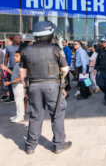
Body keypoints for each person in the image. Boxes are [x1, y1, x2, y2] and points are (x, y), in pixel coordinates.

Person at [20, 21, 71, 155]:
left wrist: (26, 88)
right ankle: (59, 145)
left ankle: (30, 146)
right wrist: (60, 82)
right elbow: (65, 69)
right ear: (49, 34)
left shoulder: (25, 50)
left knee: (35, 116)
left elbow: (22, 72)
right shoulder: (55, 49)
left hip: (33, 86)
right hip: (52, 86)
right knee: (57, 115)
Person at [2, 50, 24, 122]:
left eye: (16, 56)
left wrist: (10, 82)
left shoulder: (20, 65)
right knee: (17, 101)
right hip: (16, 85)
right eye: (14, 56)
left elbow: (21, 77)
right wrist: (7, 69)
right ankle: (18, 115)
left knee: (19, 101)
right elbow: (14, 74)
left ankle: (20, 116)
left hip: (19, 85)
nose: (14, 57)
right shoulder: (17, 65)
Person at [3, 34, 22, 103]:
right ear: (14, 39)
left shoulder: (22, 47)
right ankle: (11, 97)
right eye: (18, 38)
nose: (20, 39)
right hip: (11, 67)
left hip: (20, 67)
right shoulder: (8, 47)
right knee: (10, 83)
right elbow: (6, 57)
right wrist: (5, 66)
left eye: (20, 38)